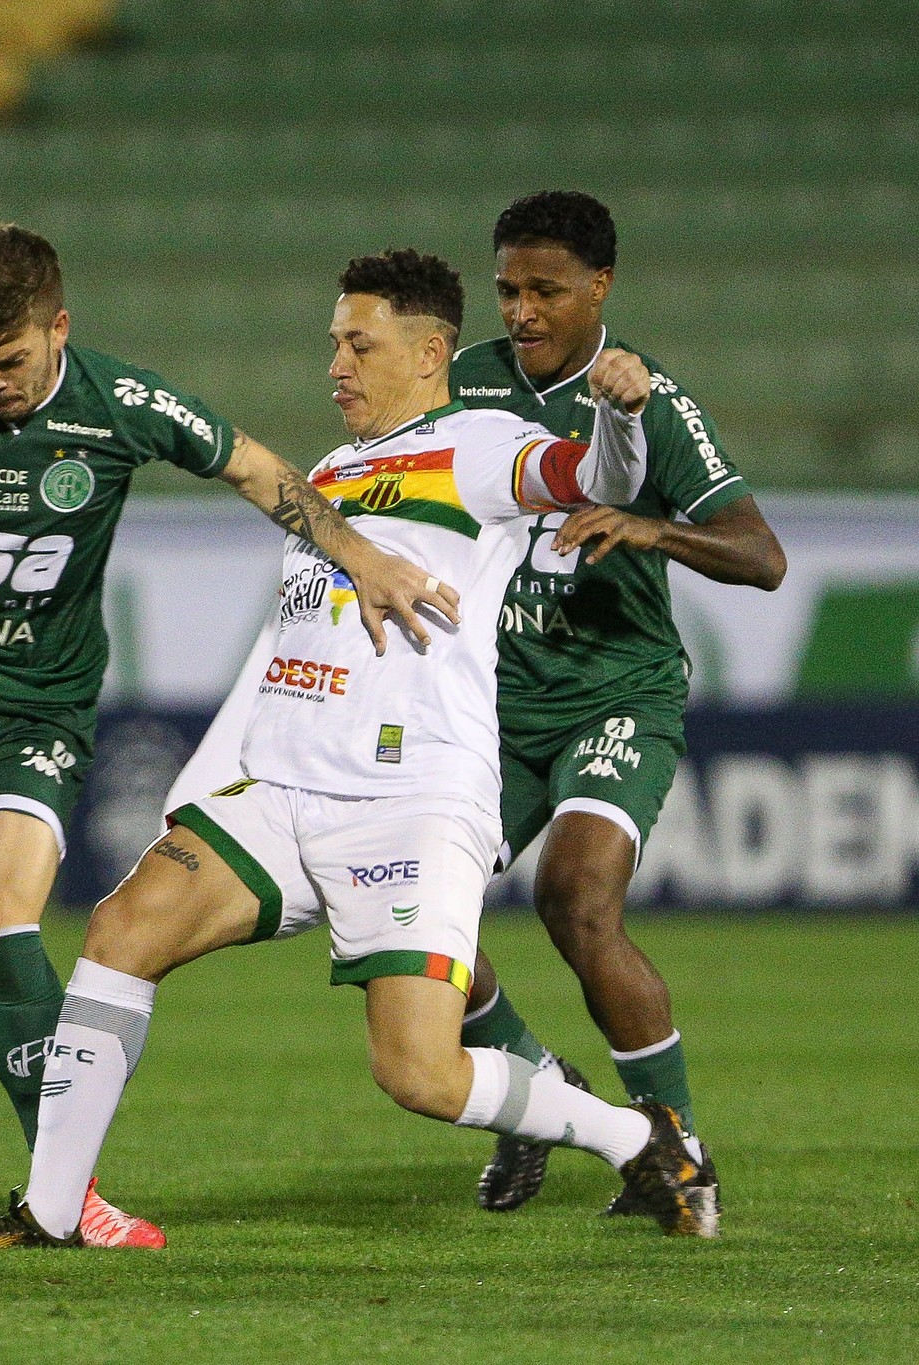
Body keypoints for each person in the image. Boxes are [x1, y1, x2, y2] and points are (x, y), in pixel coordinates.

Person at [0, 248, 718, 1250]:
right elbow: (292, 642)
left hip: (409, 795)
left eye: (357, 344)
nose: (333, 365)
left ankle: (630, 1136)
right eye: (330, 344)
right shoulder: (338, 474)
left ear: (428, 352)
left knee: (419, 1076)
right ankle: (47, 1214)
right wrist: (216, 776)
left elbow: (593, 476)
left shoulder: (481, 446)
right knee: (120, 931)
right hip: (283, 787)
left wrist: (617, 411)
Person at [0, 223, 452, 1248]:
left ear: (58, 327)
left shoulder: (118, 404)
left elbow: (251, 466)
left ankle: (61, 1192)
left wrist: (355, 554)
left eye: (11, 360)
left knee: (4, 923)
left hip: (37, 701)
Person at [447, 191, 785, 1214]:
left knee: (575, 900)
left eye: (544, 290)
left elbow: (760, 557)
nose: (519, 309)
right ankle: (539, 1095)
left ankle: (672, 1150)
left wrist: (652, 530)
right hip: (494, 703)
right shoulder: (464, 386)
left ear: (598, 288)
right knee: (406, 911)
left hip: (612, 695)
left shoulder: (648, 404)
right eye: (506, 289)